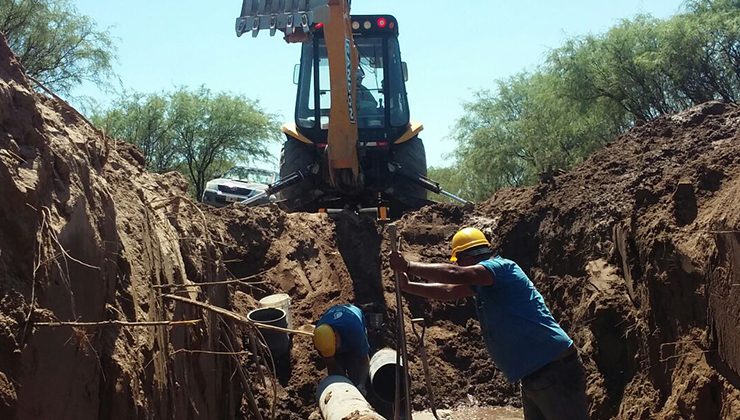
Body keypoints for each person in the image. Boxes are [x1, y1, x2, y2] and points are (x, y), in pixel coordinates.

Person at [389, 227, 589, 420]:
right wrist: (408, 286)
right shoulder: (484, 282)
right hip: (535, 375)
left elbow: (455, 275)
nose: (457, 264)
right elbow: (449, 290)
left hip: (554, 370)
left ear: (466, 257)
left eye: (458, 260)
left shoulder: (501, 268)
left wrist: (408, 266)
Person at [313, 303, 371, 392]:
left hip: (352, 318)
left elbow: (364, 361)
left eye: (335, 348)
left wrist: (361, 384)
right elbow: (331, 364)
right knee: (336, 375)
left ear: (335, 336)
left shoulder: (355, 332)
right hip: (336, 318)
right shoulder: (320, 338)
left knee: (355, 368)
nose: (336, 350)